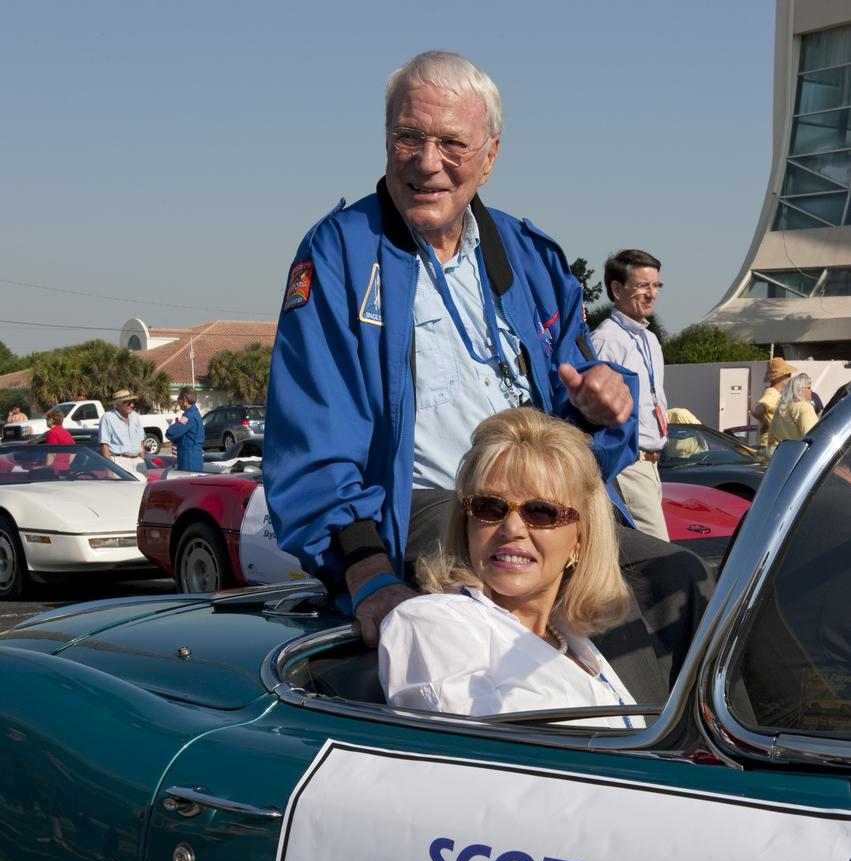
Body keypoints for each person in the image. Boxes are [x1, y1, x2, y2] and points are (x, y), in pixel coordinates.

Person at [264, 50, 710, 687]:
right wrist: (367, 574)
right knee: (560, 630)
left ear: (491, 155)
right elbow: (311, 443)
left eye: (452, 142)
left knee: (681, 581)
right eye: (408, 137)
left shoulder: (530, 259)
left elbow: (582, 426)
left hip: (548, 499)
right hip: (426, 506)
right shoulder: (339, 254)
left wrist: (602, 411)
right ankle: (608, 764)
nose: (427, 162)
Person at [379, 407, 644, 728]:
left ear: (579, 540)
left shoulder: (573, 640)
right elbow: (491, 762)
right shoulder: (433, 622)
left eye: (540, 511)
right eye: (490, 507)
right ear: (466, 525)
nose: (512, 528)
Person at [591, 250, 669, 542]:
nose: (651, 294)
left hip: (652, 463)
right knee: (658, 551)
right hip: (629, 461)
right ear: (616, 289)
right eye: (642, 286)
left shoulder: (649, 339)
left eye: (656, 286)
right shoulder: (605, 339)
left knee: (633, 550)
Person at [98, 391, 146, 477]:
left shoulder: (135, 416)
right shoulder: (107, 417)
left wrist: (142, 459)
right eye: (129, 403)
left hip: (138, 461)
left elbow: (141, 439)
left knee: (142, 489)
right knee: (121, 490)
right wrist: (109, 469)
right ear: (118, 404)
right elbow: (104, 445)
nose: (132, 405)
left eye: (133, 402)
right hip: (119, 462)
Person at [750, 358, 796, 447]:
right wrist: (769, 425)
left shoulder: (776, 394)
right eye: (788, 375)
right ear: (780, 377)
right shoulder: (772, 394)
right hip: (770, 446)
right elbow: (755, 410)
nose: (790, 378)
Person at [768, 372, 819, 452]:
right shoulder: (804, 407)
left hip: (780, 456)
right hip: (798, 457)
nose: (811, 390)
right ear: (799, 390)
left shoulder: (780, 409)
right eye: (808, 387)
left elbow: (770, 439)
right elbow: (813, 437)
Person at [166, 386, 205, 471]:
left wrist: (171, 428)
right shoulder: (195, 413)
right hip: (194, 457)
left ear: (184, 399)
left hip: (188, 458)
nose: (178, 401)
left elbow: (171, 432)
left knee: (187, 482)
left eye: (179, 398)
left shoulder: (189, 416)